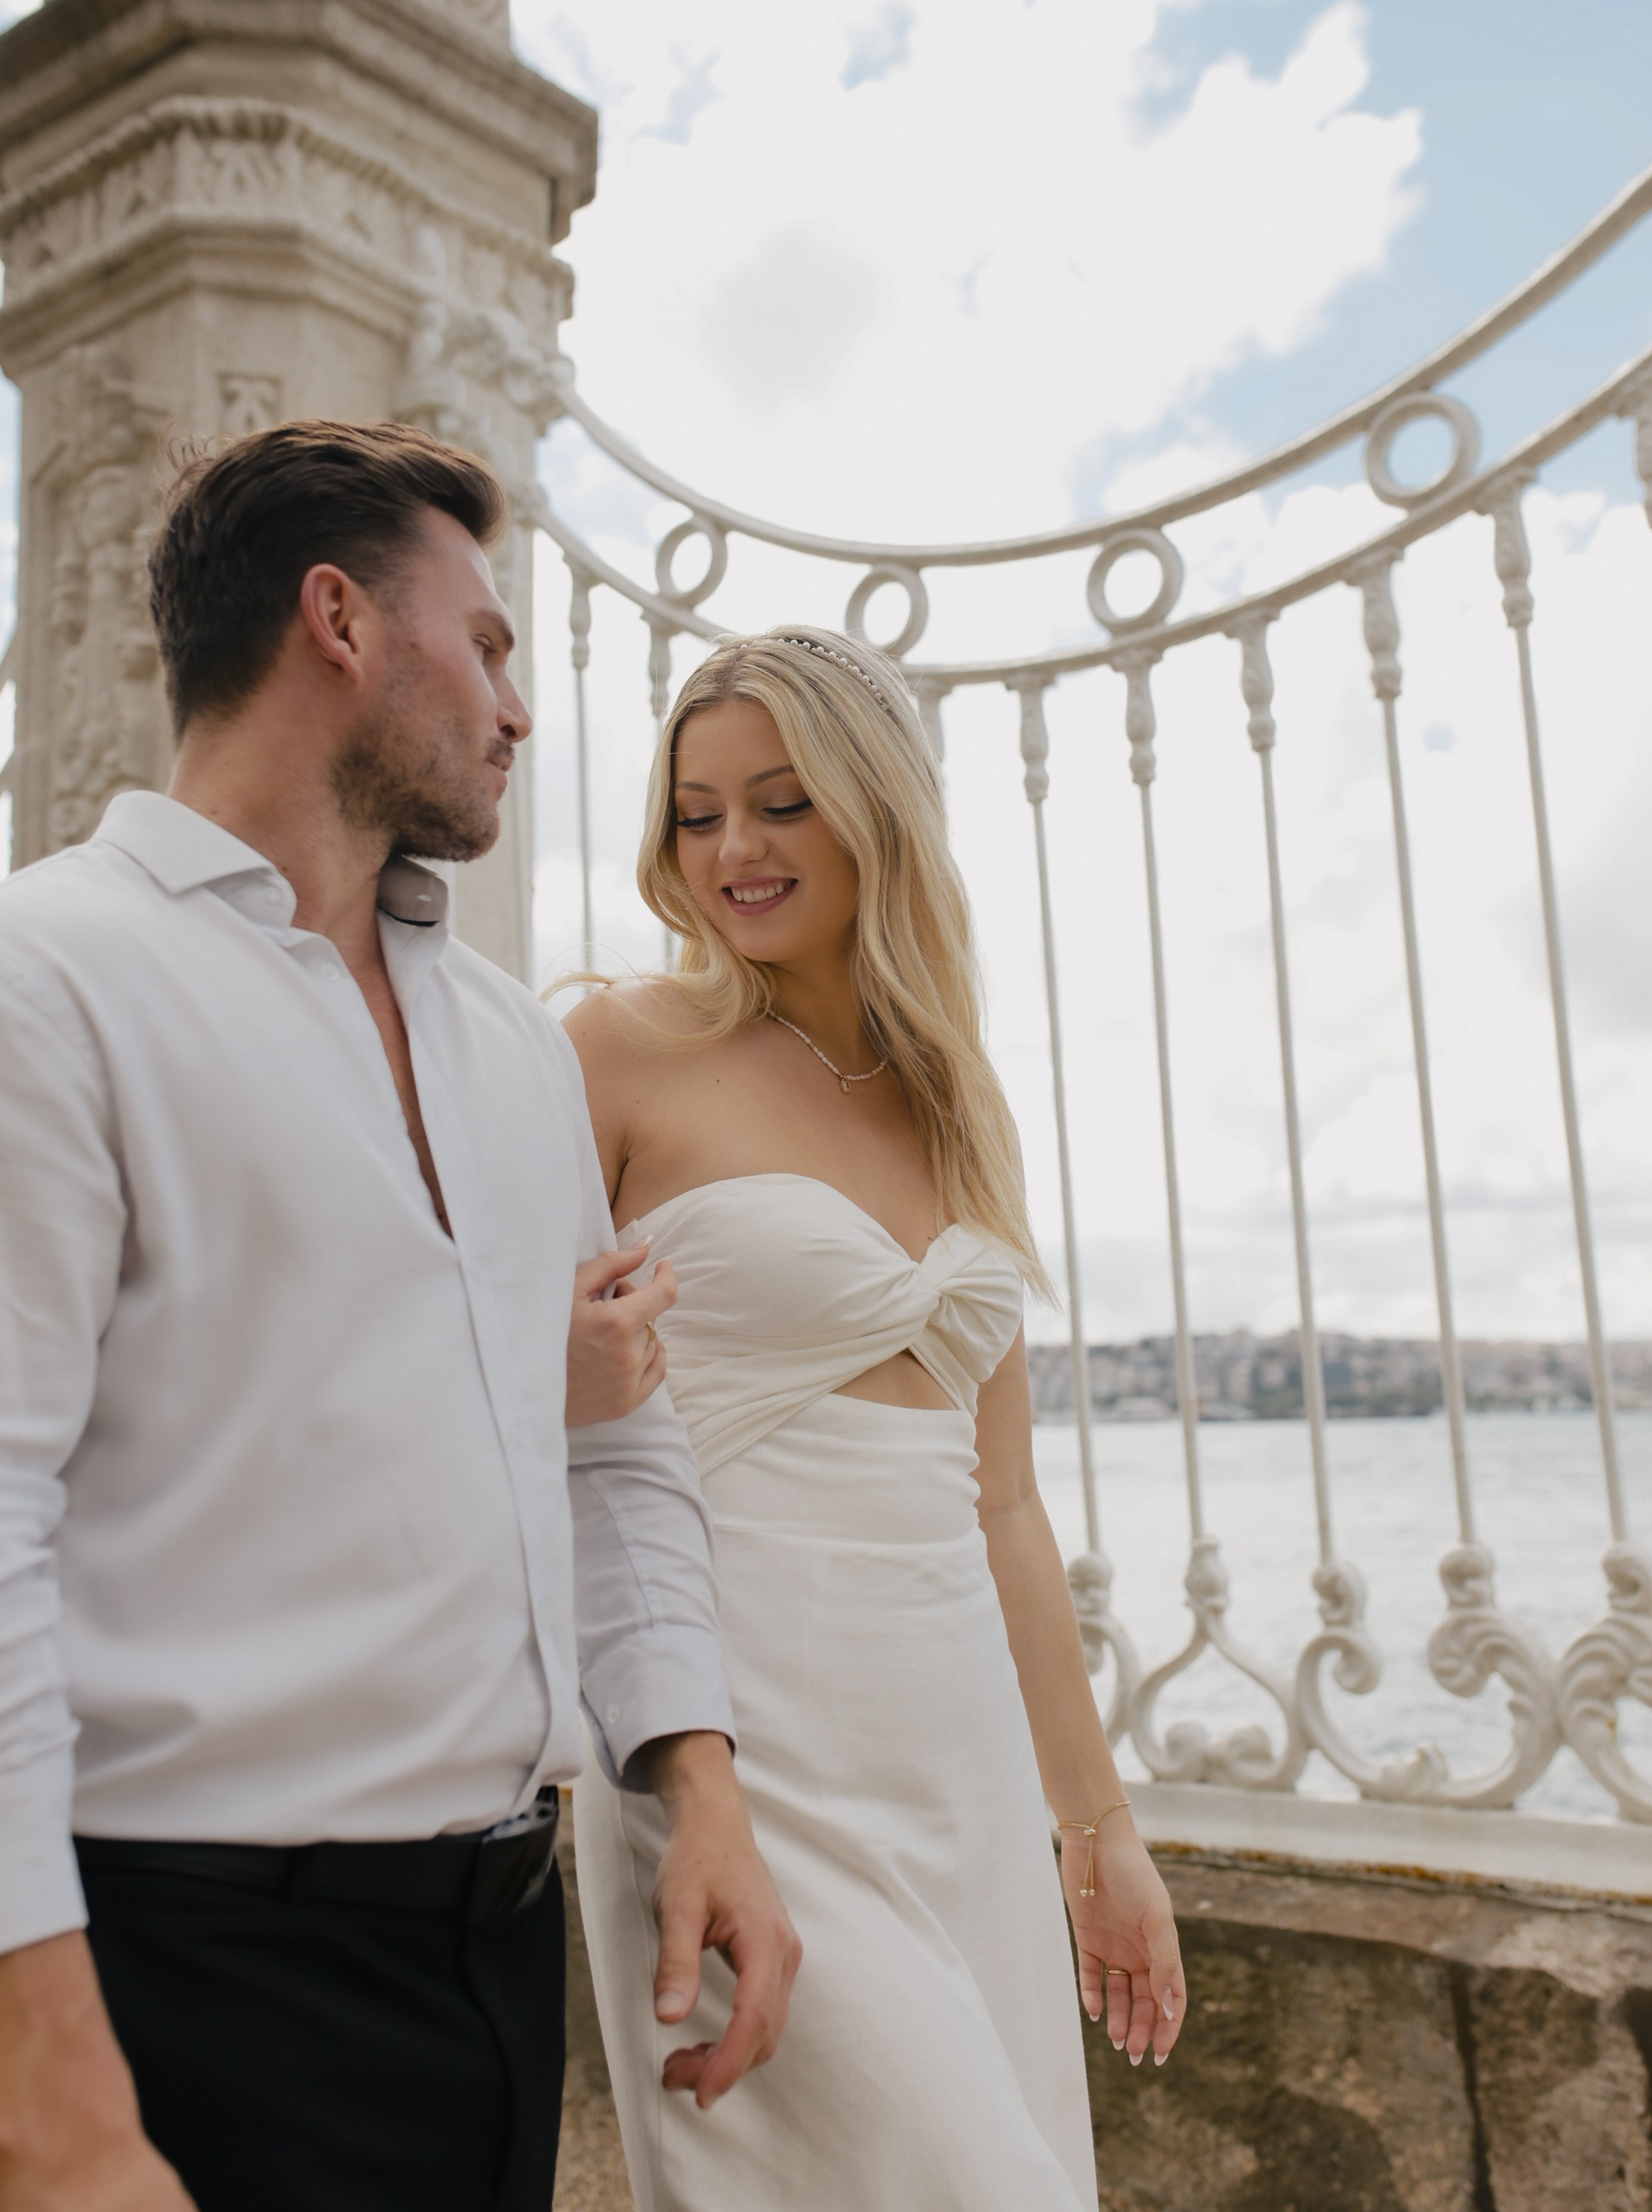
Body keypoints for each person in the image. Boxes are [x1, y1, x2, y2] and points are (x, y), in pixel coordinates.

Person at [0, 422, 798, 2212]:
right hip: (179, 1977)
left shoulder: (512, 1039)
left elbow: (614, 1448)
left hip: (501, 1966)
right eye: (489, 645)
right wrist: (48, 2097)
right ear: (340, 620)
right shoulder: (42, 980)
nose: (518, 710)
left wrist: (699, 1787)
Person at [565, 628, 1187, 2212]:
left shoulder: (956, 1102)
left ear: (877, 808)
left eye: (781, 802)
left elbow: (1003, 1507)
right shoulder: (615, 1052)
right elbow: (506, 1389)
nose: (735, 849)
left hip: (956, 1763)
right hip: (737, 1752)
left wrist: (1096, 1828)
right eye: (697, 813)